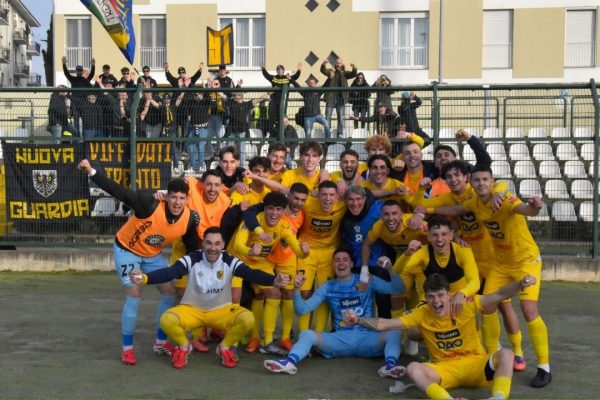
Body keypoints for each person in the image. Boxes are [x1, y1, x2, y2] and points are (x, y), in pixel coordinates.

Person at [435, 165, 552, 388]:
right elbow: (456, 209)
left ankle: (544, 366)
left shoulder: (505, 199)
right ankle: (491, 358)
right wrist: (427, 209)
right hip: (501, 265)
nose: (481, 183)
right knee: (487, 306)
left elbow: (525, 210)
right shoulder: (474, 202)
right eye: (477, 180)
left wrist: (535, 207)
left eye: (485, 180)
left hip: (526, 261)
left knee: (528, 310)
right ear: (471, 182)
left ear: (492, 181)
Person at [77, 159, 200, 366]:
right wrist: (91, 171)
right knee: (134, 293)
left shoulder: (189, 220)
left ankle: (160, 343)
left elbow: (192, 248)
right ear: (166, 197)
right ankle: (127, 348)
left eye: (181, 198)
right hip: (127, 250)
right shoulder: (148, 205)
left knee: (169, 293)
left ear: (188, 199)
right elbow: (118, 191)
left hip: (151, 254)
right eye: (173, 197)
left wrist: (198, 271)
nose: (177, 202)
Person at [345, 273, 538, 400]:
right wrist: (358, 320)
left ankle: (498, 397)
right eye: (431, 296)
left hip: (477, 367)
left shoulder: (465, 305)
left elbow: (499, 294)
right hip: (444, 371)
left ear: (449, 295)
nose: (436, 301)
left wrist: (521, 284)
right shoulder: (421, 313)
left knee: (506, 355)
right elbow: (385, 324)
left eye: (440, 295)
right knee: (413, 368)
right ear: (426, 298)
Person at [415, 160, 524, 370]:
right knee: (472, 308)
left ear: (467, 178)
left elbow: (499, 185)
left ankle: (518, 352)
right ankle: (486, 350)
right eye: (449, 176)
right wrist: (422, 211)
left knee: (503, 304)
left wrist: (499, 190)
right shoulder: (448, 198)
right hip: (470, 259)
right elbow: (428, 206)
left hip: (492, 259)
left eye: (457, 175)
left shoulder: (477, 191)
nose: (453, 179)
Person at [129, 227, 290, 369]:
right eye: (209, 243)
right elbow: (170, 272)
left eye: (217, 244)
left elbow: (251, 274)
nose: (213, 248)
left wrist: (273, 281)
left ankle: (224, 347)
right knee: (166, 320)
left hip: (220, 311)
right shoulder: (193, 258)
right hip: (192, 311)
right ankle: (184, 346)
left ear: (223, 245)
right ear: (203, 244)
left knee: (248, 319)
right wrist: (145, 278)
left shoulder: (229, 261)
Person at [263, 249, 405, 378]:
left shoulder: (366, 280)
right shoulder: (328, 286)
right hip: (340, 341)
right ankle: (289, 362)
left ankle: (389, 366)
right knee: (306, 334)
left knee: (395, 332)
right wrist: (297, 290)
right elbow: (302, 310)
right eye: (337, 260)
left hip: (367, 339)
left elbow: (398, 288)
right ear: (332, 265)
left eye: (345, 259)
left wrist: (390, 269)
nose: (341, 263)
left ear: (351, 264)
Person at [229, 192, 310, 355]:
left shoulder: (284, 227)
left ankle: (267, 341)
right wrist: (250, 250)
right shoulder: (253, 221)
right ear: (265, 208)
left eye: (278, 209)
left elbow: (299, 252)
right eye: (271, 208)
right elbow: (237, 245)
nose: (274, 213)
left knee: (274, 293)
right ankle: (232, 342)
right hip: (237, 260)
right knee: (236, 297)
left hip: (260, 263)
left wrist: (305, 251)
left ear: (283, 211)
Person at [296, 180, 346, 332]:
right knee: (304, 292)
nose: (327, 199)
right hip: (307, 252)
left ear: (337, 196)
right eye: (324, 194)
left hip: (329, 253)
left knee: (326, 294)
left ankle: (319, 333)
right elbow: (286, 192)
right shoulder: (307, 203)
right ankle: (304, 333)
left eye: (331, 195)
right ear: (317, 195)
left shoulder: (343, 205)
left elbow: (364, 195)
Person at [340, 185, 393, 318]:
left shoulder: (377, 209)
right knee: (357, 302)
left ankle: (384, 328)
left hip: (378, 261)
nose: (355, 203)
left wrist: (419, 215)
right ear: (345, 200)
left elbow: (396, 214)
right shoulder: (341, 212)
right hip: (356, 264)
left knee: (383, 301)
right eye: (351, 199)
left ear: (364, 199)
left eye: (358, 199)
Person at [429, 128, 491, 197]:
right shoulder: (429, 184)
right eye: (439, 156)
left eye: (447, 155)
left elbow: (485, 161)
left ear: (455, 159)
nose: (443, 158)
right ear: (435, 163)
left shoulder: (469, 177)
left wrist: (469, 138)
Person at [320, 58, 357, 137]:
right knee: (328, 117)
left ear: (342, 64)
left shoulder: (344, 73)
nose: (338, 65)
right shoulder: (331, 71)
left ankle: (339, 134)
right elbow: (323, 70)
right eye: (337, 63)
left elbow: (353, 74)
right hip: (330, 98)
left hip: (341, 99)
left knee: (340, 117)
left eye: (339, 63)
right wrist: (324, 64)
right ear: (335, 64)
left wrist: (354, 67)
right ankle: (327, 134)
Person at [261, 62, 301, 134]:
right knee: (271, 116)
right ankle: (271, 133)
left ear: (283, 71)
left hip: (283, 100)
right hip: (274, 100)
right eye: (278, 70)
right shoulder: (274, 78)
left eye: (281, 70)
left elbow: (295, 77)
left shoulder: (287, 78)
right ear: (277, 71)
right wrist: (263, 69)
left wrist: (299, 70)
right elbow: (266, 75)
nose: (280, 71)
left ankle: (282, 133)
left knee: (281, 116)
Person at [61, 56, 95, 134]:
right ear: (76, 71)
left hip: (84, 103)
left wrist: (93, 66)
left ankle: (84, 138)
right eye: (78, 70)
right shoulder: (73, 79)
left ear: (82, 71)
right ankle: (76, 138)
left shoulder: (86, 79)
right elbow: (66, 73)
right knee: (76, 123)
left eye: (80, 71)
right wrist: (64, 64)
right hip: (75, 103)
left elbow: (92, 74)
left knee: (85, 122)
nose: (79, 72)